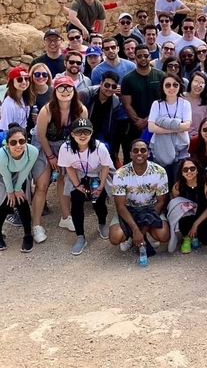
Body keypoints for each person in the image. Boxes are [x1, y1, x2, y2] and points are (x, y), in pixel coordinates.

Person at [30, 75, 88, 243]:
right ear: (55, 91)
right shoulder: (47, 110)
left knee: (64, 179)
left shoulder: (80, 110)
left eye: (68, 88)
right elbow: (41, 135)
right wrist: (50, 156)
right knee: (42, 185)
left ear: (74, 90)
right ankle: (37, 225)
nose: (65, 91)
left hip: (65, 147)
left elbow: (81, 133)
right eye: (60, 88)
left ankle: (65, 216)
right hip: (44, 145)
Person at [58, 118, 114, 255]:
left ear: (91, 133)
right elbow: (69, 167)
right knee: (76, 203)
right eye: (78, 132)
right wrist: (77, 185)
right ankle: (80, 236)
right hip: (77, 174)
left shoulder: (100, 147)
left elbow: (106, 166)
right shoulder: (65, 148)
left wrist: (101, 186)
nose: (82, 135)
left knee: (99, 202)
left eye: (86, 132)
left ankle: (102, 223)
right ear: (72, 134)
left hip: (97, 173)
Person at [109, 139, 170, 260]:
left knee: (164, 236)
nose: (139, 153)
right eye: (135, 151)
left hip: (151, 209)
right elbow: (120, 206)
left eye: (143, 150)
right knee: (115, 237)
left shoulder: (159, 171)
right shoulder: (120, 174)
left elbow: (161, 202)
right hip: (129, 209)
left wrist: (141, 232)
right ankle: (131, 236)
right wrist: (135, 230)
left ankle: (146, 234)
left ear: (148, 153)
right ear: (130, 153)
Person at [120, 44, 165, 162]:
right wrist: (139, 122)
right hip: (136, 127)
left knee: (157, 158)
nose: (143, 58)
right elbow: (127, 105)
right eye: (139, 56)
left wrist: (148, 120)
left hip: (157, 124)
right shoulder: (128, 79)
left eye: (146, 55)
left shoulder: (160, 75)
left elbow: (164, 101)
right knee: (135, 159)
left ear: (150, 57)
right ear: (135, 57)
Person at [148, 74, 192, 190]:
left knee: (179, 182)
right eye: (167, 85)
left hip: (181, 148)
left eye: (175, 84)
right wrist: (177, 125)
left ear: (180, 86)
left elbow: (187, 126)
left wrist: (162, 122)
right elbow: (151, 127)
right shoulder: (157, 104)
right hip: (161, 147)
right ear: (162, 87)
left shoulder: (185, 103)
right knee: (163, 182)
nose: (171, 88)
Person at [0, 124, 39, 253]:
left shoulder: (32, 151)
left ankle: (28, 234)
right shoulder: (2, 155)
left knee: (22, 200)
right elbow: (5, 175)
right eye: (13, 142)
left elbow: (25, 171)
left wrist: (17, 189)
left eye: (21, 141)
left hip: (21, 174)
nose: (18, 145)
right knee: (5, 201)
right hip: (2, 175)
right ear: (7, 144)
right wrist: (10, 192)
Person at [171, 158, 207, 253]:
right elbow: (176, 208)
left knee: (206, 240)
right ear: (181, 172)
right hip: (187, 215)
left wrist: (196, 224)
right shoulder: (177, 187)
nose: (189, 172)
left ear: (197, 170)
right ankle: (186, 237)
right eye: (185, 169)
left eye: (192, 168)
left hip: (204, 214)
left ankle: (196, 233)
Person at [80, 71, 121, 160]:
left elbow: (114, 127)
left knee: (104, 149)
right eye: (107, 85)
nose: (109, 89)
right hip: (82, 130)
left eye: (113, 86)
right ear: (101, 83)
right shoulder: (87, 94)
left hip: (100, 133)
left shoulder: (115, 102)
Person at [0, 66, 34, 131]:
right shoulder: (9, 104)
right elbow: (5, 129)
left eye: (26, 79)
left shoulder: (23, 97)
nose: (24, 82)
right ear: (12, 82)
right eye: (19, 80)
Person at [184, 71, 207, 137]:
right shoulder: (182, 98)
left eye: (202, 83)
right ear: (191, 82)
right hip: (183, 134)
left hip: (200, 135)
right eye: (196, 82)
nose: (198, 85)